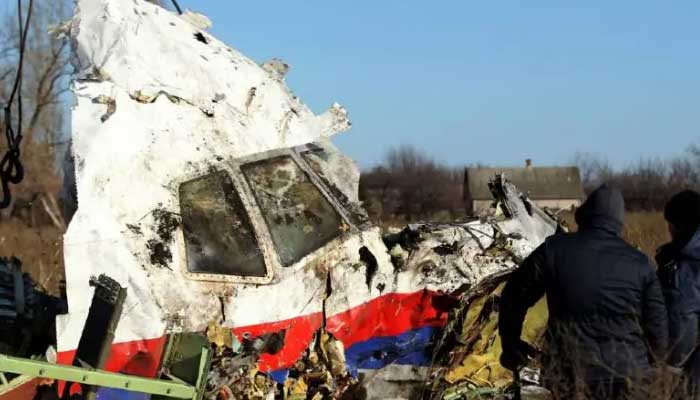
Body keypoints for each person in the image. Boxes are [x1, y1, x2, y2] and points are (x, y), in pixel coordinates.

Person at [498, 184, 668, 399]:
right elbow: (658, 325)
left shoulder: (553, 251)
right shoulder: (640, 263)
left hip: (571, 374)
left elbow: (514, 297)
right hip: (630, 375)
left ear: (584, 214)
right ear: (618, 223)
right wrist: (654, 365)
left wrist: (510, 344)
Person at [657, 189, 700, 396]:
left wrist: (672, 367)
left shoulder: (688, 266)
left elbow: (683, 317)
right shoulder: (680, 257)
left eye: (671, 223)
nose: (669, 229)